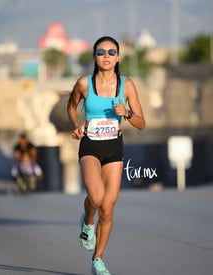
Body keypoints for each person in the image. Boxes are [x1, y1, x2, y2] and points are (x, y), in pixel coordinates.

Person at [67, 36, 146, 274]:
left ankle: (98, 260)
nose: (107, 57)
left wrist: (127, 113)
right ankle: (88, 220)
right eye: (101, 52)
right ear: (94, 56)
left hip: (114, 147)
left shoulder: (127, 85)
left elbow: (142, 123)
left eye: (112, 52)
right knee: (97, 196)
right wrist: (76, 125)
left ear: (118, 57)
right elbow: (71, 105)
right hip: (90, 145)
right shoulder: (84, 83)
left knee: (109, 207)